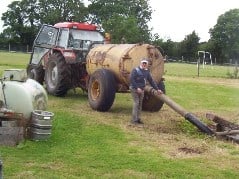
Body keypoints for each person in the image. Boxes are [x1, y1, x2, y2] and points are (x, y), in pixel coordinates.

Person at [129, 58, 163, 125]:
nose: (144, 64)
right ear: (141, 63)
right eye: (143, 63)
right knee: (136, 103)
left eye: (145, 63)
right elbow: (132, 80)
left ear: (147, 64)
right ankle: (134, 120)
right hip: (134, 89)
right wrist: (137, 88)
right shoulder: (135, 70)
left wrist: (157, 89)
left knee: (140, 104)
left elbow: (151, 81)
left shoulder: (147, 71)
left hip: (142, 89)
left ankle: (138, 119)